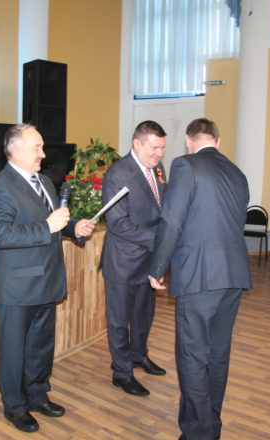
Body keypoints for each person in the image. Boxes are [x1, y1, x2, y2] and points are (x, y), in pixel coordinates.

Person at [0, 123, 95, 433]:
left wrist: (74, 227)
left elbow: (55, 220)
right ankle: (15, 407)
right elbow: (2, 234)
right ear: (16, 150)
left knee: (41, 347)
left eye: (42, 147)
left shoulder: (44, 181)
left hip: (47, 280)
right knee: (14, 351)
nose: (44, 154)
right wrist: (48, 226)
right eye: (37, 148)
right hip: (17, 287)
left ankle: (37, 395)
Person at [148, 118, 251, 440]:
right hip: (234, 275)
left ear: (189, 141)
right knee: (217, 354)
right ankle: (211, 426)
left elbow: (172, 220)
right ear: (217, 141)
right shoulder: (237, 173)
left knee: (193, 355)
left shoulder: (186, 165)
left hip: (199, 274)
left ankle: (198, 434)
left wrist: (157, 267)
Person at [100, 120, 168, 397]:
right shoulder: (118, 173)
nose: (159, 154)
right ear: (136, 143)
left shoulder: (159, 169)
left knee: (143, 315)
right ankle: (122, 372)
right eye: (154, 148)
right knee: (119, 320)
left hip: (149, 259)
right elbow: (118, 223)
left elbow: (162, 209)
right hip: (123, 261)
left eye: (162, 148)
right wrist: (160, 239)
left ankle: (139, 355)